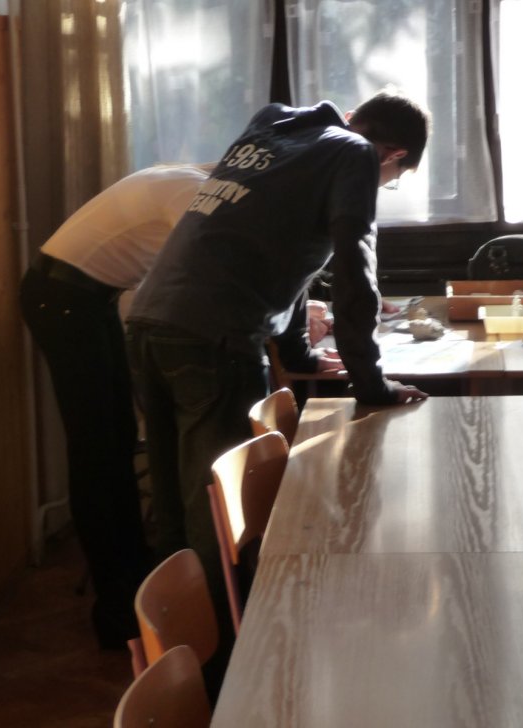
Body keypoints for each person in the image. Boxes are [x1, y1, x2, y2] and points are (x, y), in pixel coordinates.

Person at [124, 89, 431, 699]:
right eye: (393, 178)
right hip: (213, 337)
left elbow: (284, 251)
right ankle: (225, 681)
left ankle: (181, 661)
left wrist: (299, 356)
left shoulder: (276, 129)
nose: (382, 184)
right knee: (216, 516)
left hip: (151, 322)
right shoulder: (355, 154)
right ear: (392, 154)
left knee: (175, 510)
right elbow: (354, 268)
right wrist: (371, 384)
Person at [19, 162, 339, 658]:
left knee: (113, 444)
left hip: (85, 296)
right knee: (97, 452)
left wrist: (299, 309)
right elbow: (213, 275)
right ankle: (117, 608)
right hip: (63, 298)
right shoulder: (196, 195)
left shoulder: (205, 182)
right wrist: (289, 319)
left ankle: (134, 587)